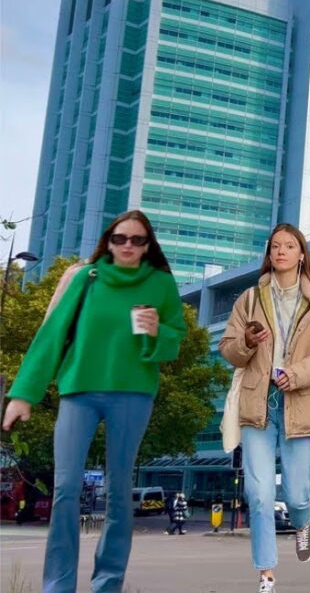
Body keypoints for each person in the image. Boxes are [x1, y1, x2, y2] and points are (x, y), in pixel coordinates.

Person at [2, 210, 186, 593]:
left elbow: (175, 340)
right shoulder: (86, 278)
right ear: (109, 240)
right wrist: (23, 394)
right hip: (79, 391)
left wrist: (158, 331)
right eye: (121, 238)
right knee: (66, 489)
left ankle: (108, 584)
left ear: (148, 245)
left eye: (138, 240)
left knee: (120, 493)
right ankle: (58, 585)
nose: (128, 246)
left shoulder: (162, 283)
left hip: (133, 393)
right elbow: (52, 334)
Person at [220, 224, 310, 593]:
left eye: (289, 246)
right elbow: (228, 349)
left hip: (300, 404)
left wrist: (298, 374)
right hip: (258, 404)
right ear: (269, 253)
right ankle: (266, 573)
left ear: (301, 254)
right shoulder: (249, 299)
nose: (281, 251)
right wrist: (244, 341)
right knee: (258, 495)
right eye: (275, 246)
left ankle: (303, 522)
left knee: (295, 494)